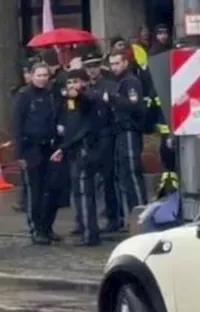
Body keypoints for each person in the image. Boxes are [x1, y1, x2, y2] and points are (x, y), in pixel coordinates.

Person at [13, 63, 63, 246]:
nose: (42, 78)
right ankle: (36, 229)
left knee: (52, 190)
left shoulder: (51, 95)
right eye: (39, 75)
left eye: (45, 75)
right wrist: (20, 154)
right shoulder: (24, 96)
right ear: (32, 76)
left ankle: (47, 227)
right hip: (31, 149)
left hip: (49, 148)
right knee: (35, 192)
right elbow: (17, 125)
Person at [59, 69, 101, 246]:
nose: (72, 86)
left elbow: (87, 103)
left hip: (85, 150)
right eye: (69, 83)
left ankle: (90, 234)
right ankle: (83, 227)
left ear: (83, 82)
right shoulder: (69, 102)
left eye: (75, 82)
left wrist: (78, 95)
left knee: (85, 193)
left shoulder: (89, 97)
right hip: (73, 151)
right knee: (77, 192)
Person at [84, 52, 124, 234]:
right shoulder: (83, 88)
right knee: (91, 181)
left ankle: (113, 217)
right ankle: (90, 220)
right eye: (88, 67)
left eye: (95, 66)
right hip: (89, 137)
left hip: (107, 135)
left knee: (108, 179)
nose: (92, 70)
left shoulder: (110, 86)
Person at [106, 50, 147, 222]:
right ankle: (132, 214)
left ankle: (141, 214)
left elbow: (135, 106)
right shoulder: (119, 82)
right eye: (112, 64)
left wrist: (113, 99)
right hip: (120, 132)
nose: (114, 67)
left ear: (125, 63)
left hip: (130, 130)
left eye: (117, 63)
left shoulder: (131, 81)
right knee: (123, 176)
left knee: (132, 172)